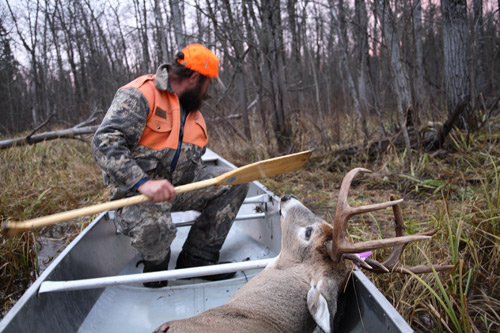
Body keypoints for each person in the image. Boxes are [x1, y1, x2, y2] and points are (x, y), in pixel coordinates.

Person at [91, 44, 249, 288]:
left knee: (235, 180)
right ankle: (156, 270)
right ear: (195, 78)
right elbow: (104, 143)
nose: (207, 94)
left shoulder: (195, 116)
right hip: (135, 195)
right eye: (207, 86)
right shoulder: (141, 94)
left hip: (177, 190)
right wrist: (143, 183)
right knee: (156, 229)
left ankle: (196, 260)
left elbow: (192, 165)